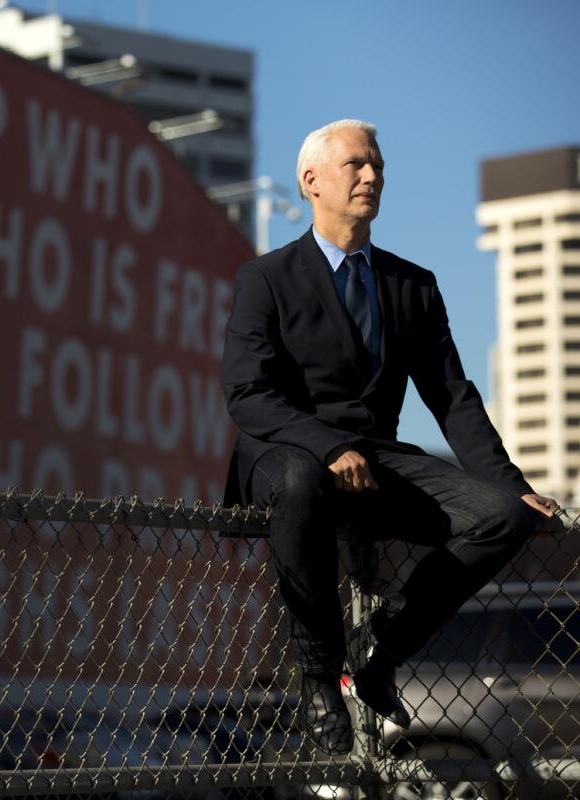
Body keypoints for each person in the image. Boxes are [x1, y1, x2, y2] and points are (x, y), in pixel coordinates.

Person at [220, 119, 561, 755]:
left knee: (501, 518)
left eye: (377, 165)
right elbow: (247, 393)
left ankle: (381, 646)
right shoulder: (264, 278)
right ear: (311, 181)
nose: (372, 175)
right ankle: (321, 682)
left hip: (375, 459)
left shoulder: (413, 285)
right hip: (284, 453)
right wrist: (325, 447)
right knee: (298, 482)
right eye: (355, 164)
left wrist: (514, 487)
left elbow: (453, 398)